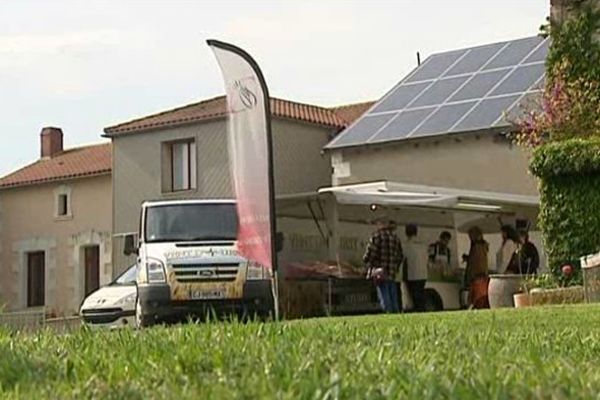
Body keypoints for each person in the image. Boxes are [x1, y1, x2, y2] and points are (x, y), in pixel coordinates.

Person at [363, 217, 403, 313]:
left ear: (380, 225)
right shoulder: (395, 238)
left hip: (380, 272)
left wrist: (367, 263)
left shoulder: (376, 237)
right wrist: (395, 266)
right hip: (392, 271)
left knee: (384, 293)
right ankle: (395, 312)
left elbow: (369, 255)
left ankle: (388, 312)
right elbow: (400, 255)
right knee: (393, 294)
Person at [463, 226, 490, 309]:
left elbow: (476, 262)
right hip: (480, 275)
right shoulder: (482, 246)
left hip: (477, 276)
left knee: (476, 299)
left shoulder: (477, 247)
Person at [404, 223, 428, 312]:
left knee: (414, 296)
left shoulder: (407, 244)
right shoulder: (423, 244)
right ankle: (422, 310)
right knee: (421, 294)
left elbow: (403, 258)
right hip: (423, 274)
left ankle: (418, 310)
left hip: (412, 274)